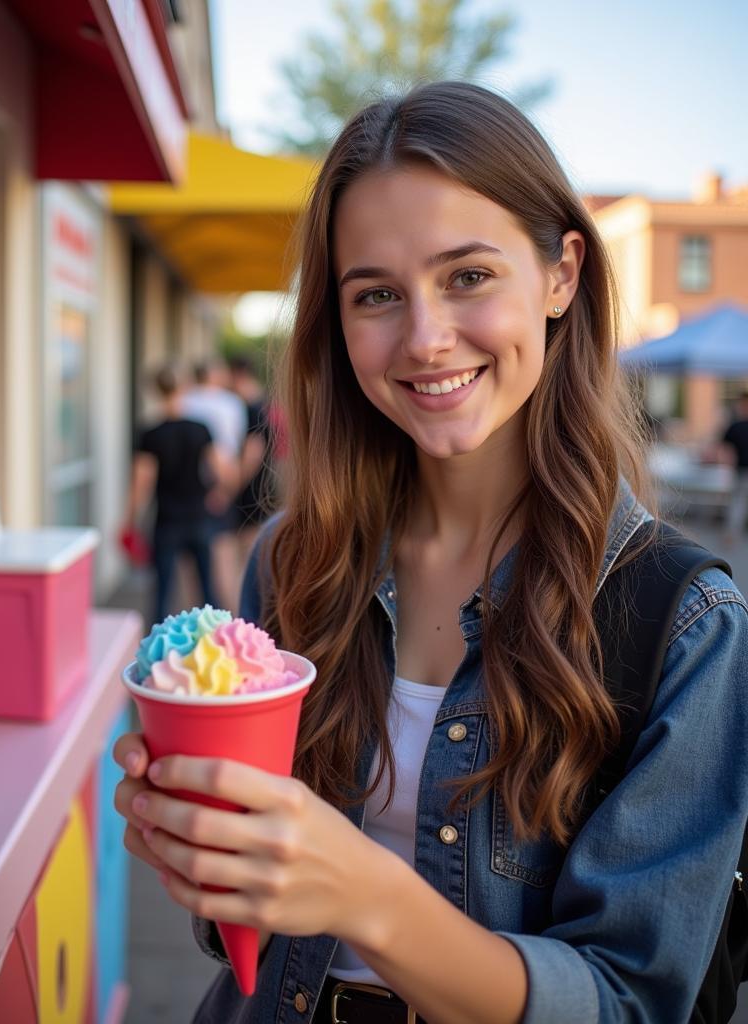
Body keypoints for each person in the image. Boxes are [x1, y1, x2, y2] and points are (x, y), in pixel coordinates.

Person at [114, 82, 748, 1024]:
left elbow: (631, 1001)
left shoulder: (685, 623)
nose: (424, 338)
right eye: (376, 293)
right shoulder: (292, 563)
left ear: (562, 275)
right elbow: (243, 919)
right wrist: (205, 853)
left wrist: (366, 896)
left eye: (468, 277)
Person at [123, 364, 231, 624]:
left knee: (162, 593)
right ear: (183, 388)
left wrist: (130, 520)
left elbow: (142, 483)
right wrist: (221, 494)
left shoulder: (151, 433)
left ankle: (155, 657)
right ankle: (220, 645)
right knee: (208, 589)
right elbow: (222, 469)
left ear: (156, 392)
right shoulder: (200, 428)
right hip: (199, 516)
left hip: (167, 520)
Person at [181, 358, 248, 610]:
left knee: (190, 566)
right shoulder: (230, 403)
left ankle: (192, 621)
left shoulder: (185, 400)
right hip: (222, 479)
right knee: (222, 554)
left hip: (188, 487)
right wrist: (226, 490)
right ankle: (226, 618)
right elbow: (232, 449)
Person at [227, 354, 277, 561]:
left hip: (251, 485)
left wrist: (233, 485)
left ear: (239, 375)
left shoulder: (252, 407)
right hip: (261, 479)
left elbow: (253, 452)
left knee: (250, 548)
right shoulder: (263, 401)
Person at [721, 390, 748, 546]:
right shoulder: (735, 425)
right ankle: (731, 535)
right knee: (737, 503)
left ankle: (731, 535)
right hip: (740, 470)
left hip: (740, 470)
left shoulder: (735, 426)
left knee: (737, 503)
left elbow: (725, 449)